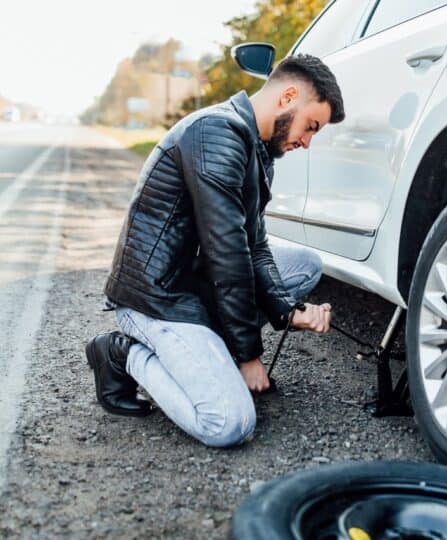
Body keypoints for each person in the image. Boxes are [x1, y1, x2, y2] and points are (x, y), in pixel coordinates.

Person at [85, 54, 345, 447]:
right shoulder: (216, 134)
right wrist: (248, 356)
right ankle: (122, 354)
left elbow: (254, 246)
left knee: (305, 265)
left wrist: (288, 311)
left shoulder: (258, 148)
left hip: (196, 282)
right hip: (158, 297)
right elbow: (229, 256)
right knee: (228, 423)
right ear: (288, 96)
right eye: (311, 126)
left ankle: (208, 350)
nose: (307, 142)